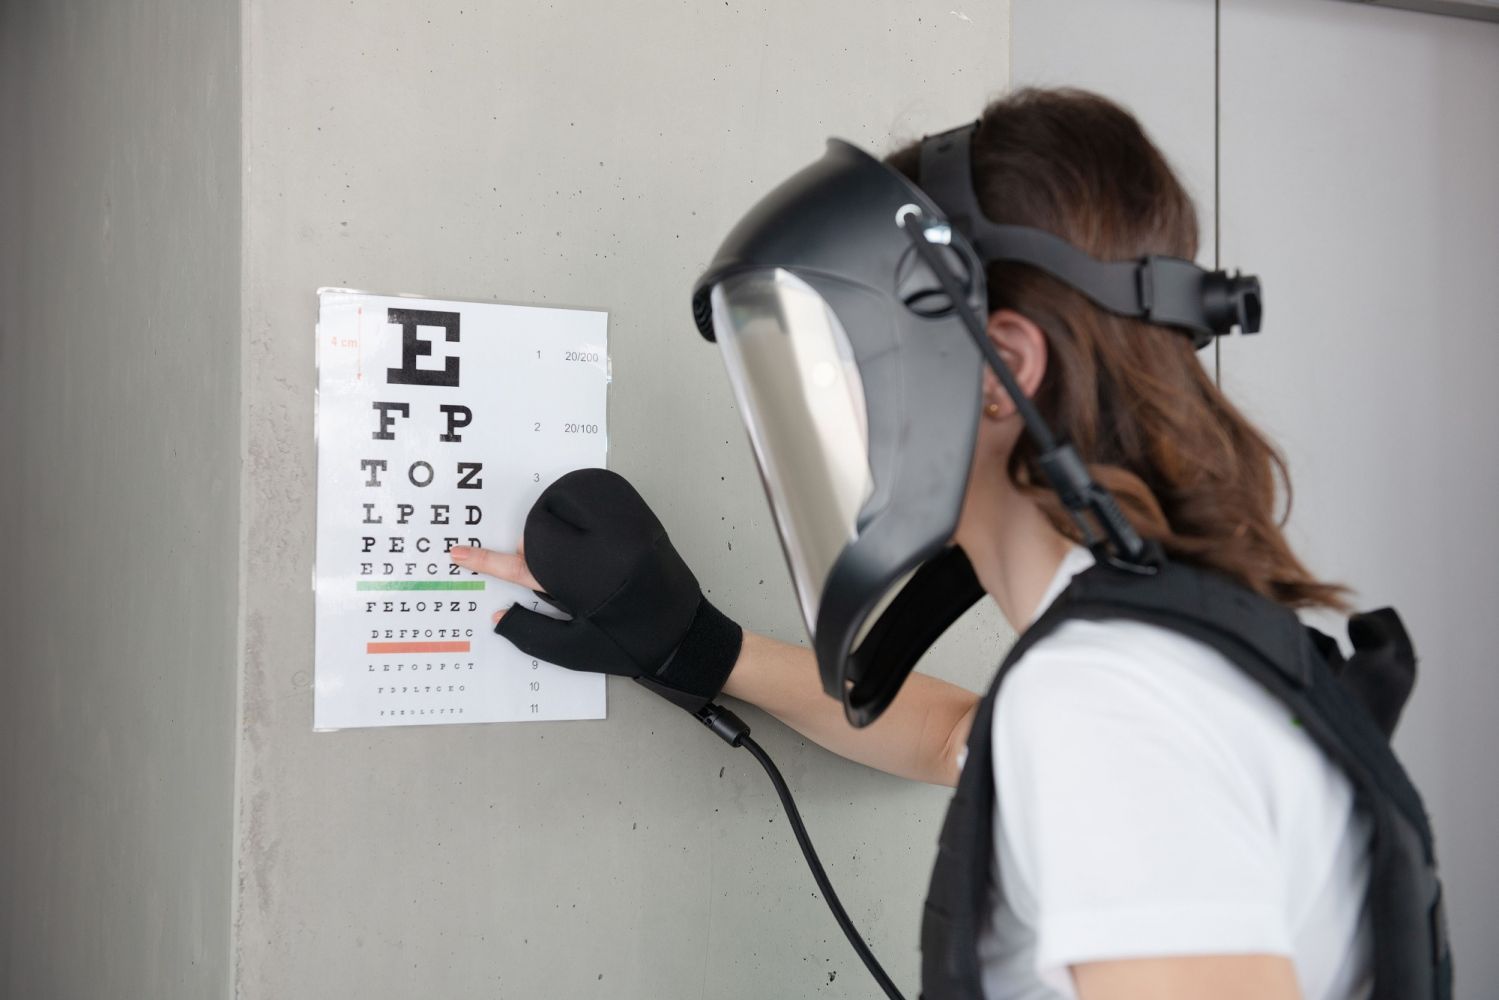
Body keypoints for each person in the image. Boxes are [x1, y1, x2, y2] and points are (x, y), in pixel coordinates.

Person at [449, 89, 1439, 1000]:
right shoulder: (1168, 652)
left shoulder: (1104, 702)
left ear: (999, 366)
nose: (834, 405)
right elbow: (951, 737)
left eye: (850, 358)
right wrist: (697, 644)